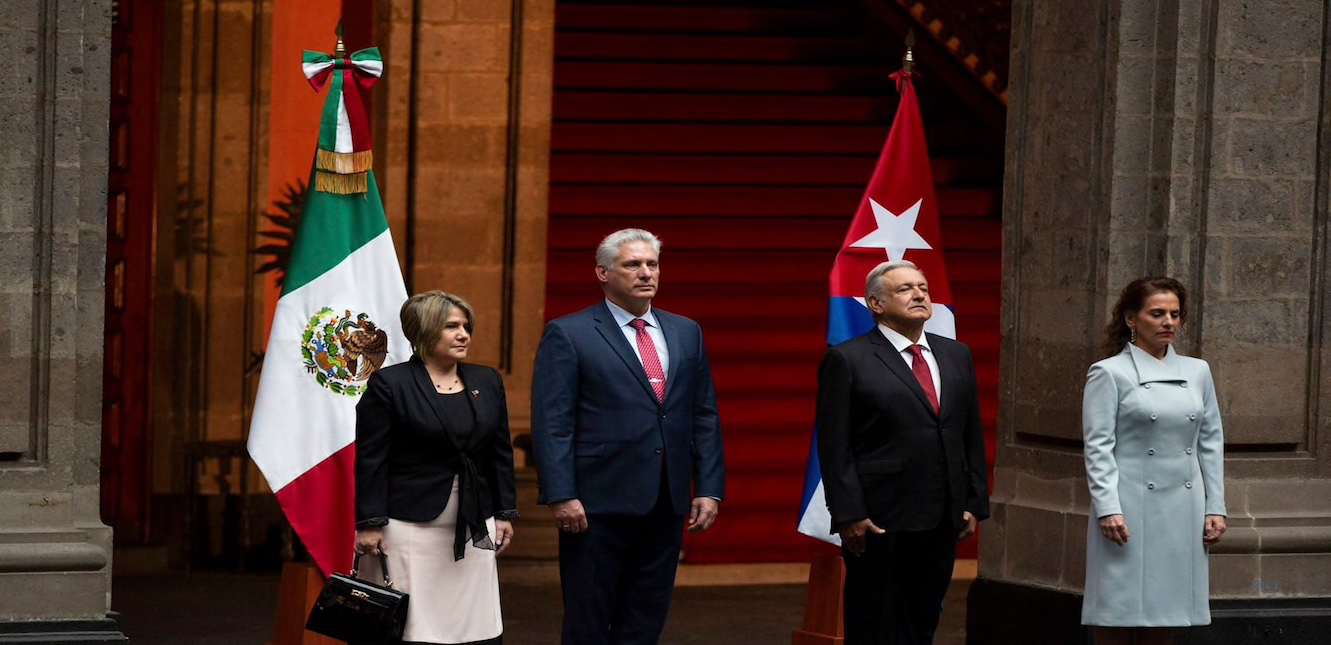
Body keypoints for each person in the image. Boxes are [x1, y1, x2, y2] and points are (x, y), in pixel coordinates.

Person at [530, 228, 726, 644]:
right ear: (602, 272)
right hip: (596, 502)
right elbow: (553, 421)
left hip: (666, 498)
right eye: (632, 264)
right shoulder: (570, 332)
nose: (645, 273)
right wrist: (561, 494)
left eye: (652, 264)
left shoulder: (685, 331)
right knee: (589, 617)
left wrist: (709, 487)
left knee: (645, 617)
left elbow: (703, 414)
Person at [815, 259, 990, 645]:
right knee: (874, 622)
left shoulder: (956, 354)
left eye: (923, 288)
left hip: (943, 513)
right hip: (880, 516)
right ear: (875, 304)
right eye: (905, 289)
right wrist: (848, 512)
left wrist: (973, 500)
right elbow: (834, 443)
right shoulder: (848, 358)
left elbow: (969, 432)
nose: (919, 295)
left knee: (922, 619)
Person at [354, 291, 519, 645]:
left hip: (474, 526)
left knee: (473, 624)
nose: (464, 334)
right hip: (407, 526)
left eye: (466, 326)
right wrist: (369, 523)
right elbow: (371, 459)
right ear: (425, 331)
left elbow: (499, 452)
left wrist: (504, 512)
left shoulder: (487, 380)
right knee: (414, 627)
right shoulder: (390, 383)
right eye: (451, 326)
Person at [1081, 277, 1226, 644]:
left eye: (1175, 315)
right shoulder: (1109, 372)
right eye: (1157, 313)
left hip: (1182, 506)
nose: (1169, 323)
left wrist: (1216, 507)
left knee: (1168, 609)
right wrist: (1107, 507)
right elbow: (1098, 446)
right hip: (1128, 507)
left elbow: (1210, 441)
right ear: (1132, 319)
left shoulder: (1197, 371)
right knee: (1116, 608)